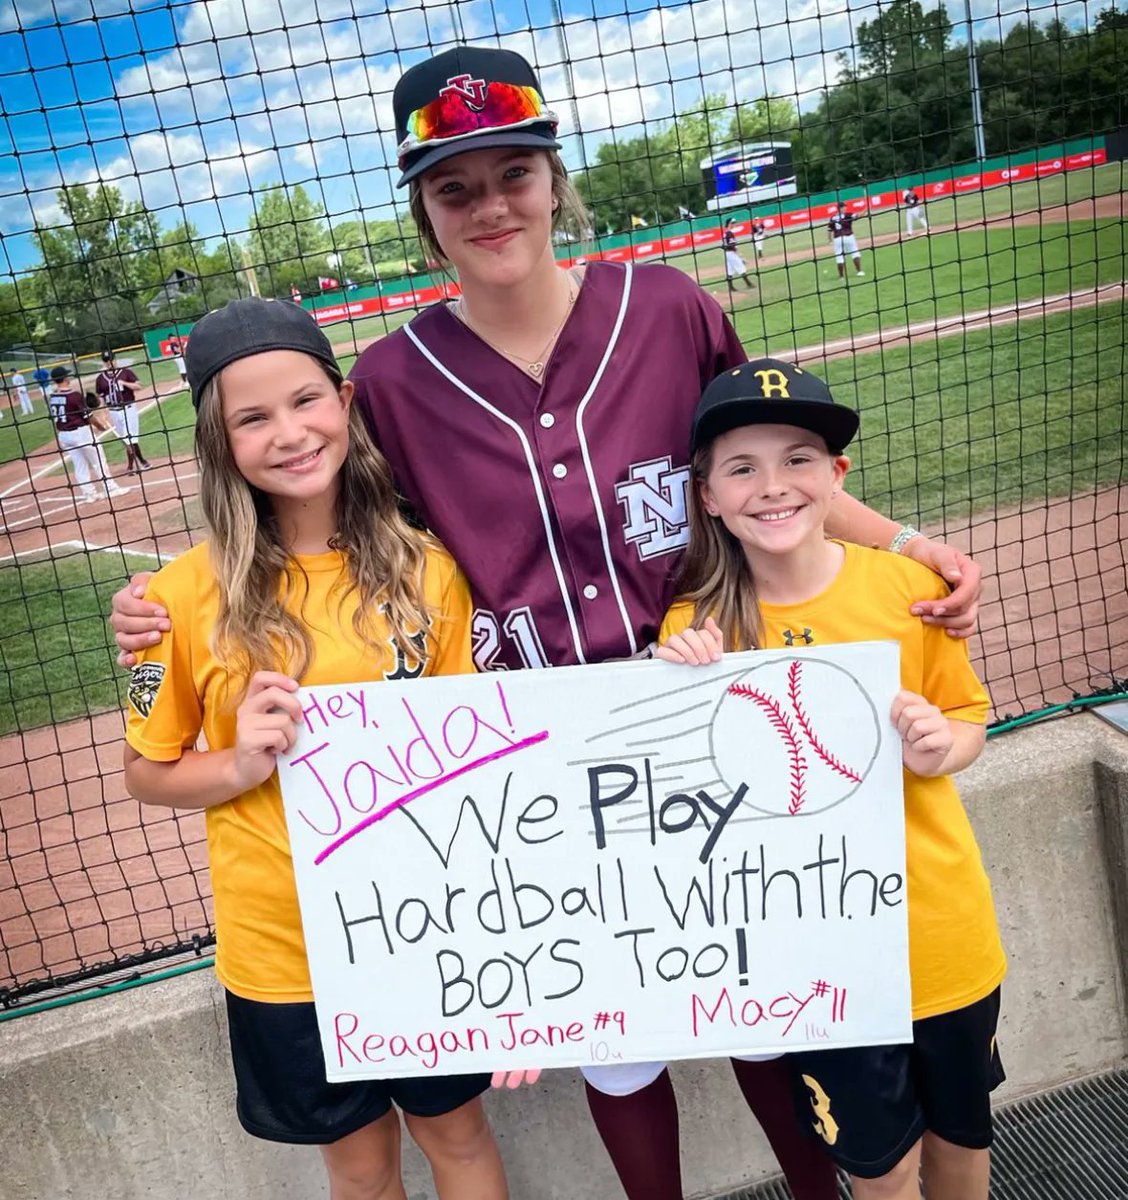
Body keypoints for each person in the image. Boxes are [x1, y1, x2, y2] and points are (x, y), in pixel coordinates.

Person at [110, 43, 984, 1200]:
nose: (490, 205)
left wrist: (904, 542)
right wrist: (165, 601)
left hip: (711, 700)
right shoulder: (395, 379)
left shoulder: (668, 308)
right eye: (453, 186)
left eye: (513, 172)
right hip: (542, 755)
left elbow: (769, 468)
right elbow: (322, 513)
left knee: (763, 1005)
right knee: (616, 1043)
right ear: (423, 212)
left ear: (555, 178)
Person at [122, 297, 508, 1200]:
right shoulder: (174, 600)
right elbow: (146, 770)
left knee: (458, 1137)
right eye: (252, 418)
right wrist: (239, 764)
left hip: (422, 927)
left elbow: (475, 760)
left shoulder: (429, 570)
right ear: (220, 444)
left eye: (305, 401)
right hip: (284, 951)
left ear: (344, 402)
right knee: (361, 1171)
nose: (290, 434)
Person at [659, 358, 1006, 1200]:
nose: (773, 486)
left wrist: (943, 747)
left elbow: (968, 717)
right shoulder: (696, 628)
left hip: (942, 932)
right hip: (817, 962)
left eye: (799, 459)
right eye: (742, 468)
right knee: (881, 1170)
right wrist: (675, 680)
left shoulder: (908, 589)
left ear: (838, 474)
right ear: (708, 496)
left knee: (961, 1141)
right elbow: (688, 799)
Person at [47, 364, 129, 503]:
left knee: (79, 465)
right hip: (80, 434)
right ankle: (111, 488)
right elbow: (88, 417)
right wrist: (100, 427)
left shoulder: (53, 397)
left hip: (64, 435)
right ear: (65, 378)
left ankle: (89, 494)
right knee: (99, 460)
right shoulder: (74, 395)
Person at [96, 350, 152, 473]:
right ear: (103, 362)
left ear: (115, 359)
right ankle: (142, 461)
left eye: (111, 360)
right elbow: (101, 397)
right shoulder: (100, 378)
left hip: (128, 409)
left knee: (129, 437)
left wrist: (125, 383)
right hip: (113, 411)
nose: (109, 363)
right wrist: (103, 412)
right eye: (106, 361)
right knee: (125, 438)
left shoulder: (126, 372)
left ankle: (131, 466)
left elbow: (139, 386)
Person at [828, 202, 864, 279]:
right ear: (840, 208)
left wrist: (830, 240)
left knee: (839, 257)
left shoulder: (833, 218)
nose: (845, 208)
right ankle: (859, 271)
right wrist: (865, 210)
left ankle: (841, 276)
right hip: (848, 236)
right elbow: (858, 216)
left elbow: (829, 230)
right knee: (855, 253)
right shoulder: (847, 215)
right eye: (844, 207)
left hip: (837, 238)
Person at [722, 217, 754, 291]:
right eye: (732, 223)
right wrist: (740, 256)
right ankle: (749, 284)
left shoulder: (725, 233)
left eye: (734, 223)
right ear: (729, 224)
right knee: (741, 267)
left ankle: (731, 287)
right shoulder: (729, 233)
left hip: (727, 253)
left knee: (730, 269)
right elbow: (732, 246)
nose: (734, 224)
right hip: (731, 253)